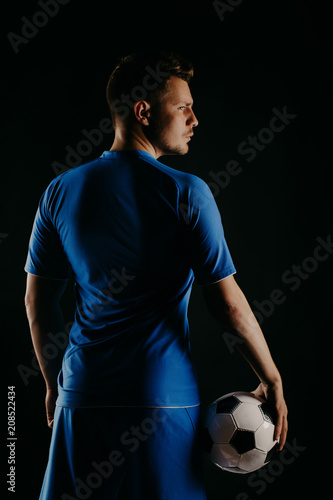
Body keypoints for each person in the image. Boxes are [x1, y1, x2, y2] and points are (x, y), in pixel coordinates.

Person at [24, 52, 288, 500]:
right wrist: (272, 379)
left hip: (83, 395)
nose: (195, 119)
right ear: (143, 111)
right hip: (162, 399)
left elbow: (38, 304)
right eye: (183, 107)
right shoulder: (187, 193)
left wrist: (54, 382)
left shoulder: (60, 191)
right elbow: (225, 303)